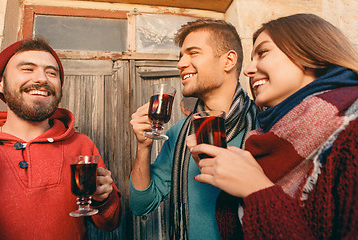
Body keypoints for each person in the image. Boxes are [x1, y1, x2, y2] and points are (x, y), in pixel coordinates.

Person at [187, 13, 358, 239]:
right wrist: (220, 171)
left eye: (262, 53)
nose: (248, 70)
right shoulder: (267, 136)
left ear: (308, 52)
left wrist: (257, 189)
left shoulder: (352, 133)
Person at [129, 19, 258, 239]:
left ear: (228, 60)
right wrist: (143, 147)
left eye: (193, 53)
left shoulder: (265, 125)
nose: (180, 64)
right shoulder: (178, 134)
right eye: (181, 56)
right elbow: (142, 205)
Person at [0, 38, 122, 239]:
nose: (42, 79)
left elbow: (111, 223)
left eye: (52, 73)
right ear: (1, 83)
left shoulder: (82, 144)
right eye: (28, 69)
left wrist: (103, 199)